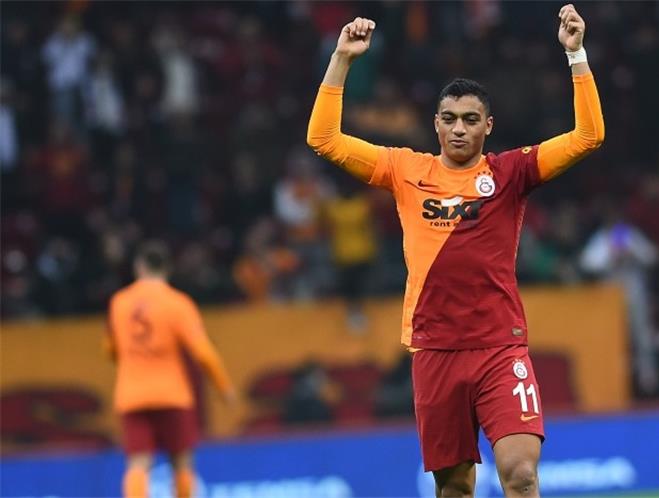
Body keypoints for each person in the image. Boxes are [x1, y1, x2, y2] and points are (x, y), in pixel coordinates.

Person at [307, 4, 604, 497]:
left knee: (521, 474)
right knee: (454, 489)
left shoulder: (511, 173)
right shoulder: (405, 170)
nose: (459, 128)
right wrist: (341, 59)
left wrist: (576, 56)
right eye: (449, 119)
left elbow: (589, 136)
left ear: (488, 126)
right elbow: (323, 139)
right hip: (435, 351)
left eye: (470, 119)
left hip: (499, 347)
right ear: (436, 125)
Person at [106, 241, 236, 498]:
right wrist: (224, 387)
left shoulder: (119, 302)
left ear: (139, 267)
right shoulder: (178, 303)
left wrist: (131, 362)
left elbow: (110, 349)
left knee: (138, 463)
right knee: (182, 462)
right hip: (172, 394)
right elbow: (204, 353)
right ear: (167, 268)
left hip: (132, 395)